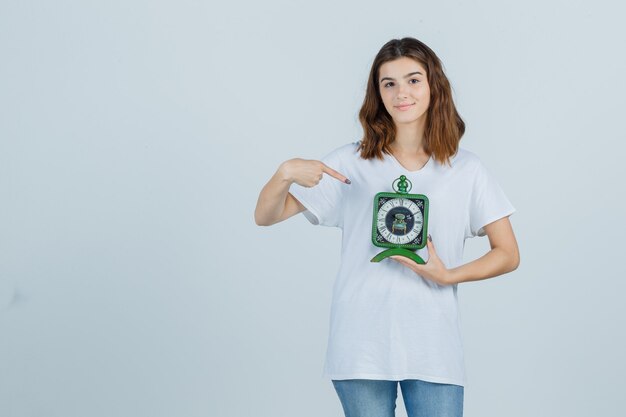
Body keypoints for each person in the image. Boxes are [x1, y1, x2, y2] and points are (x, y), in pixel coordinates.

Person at [254, 37, 520, 417]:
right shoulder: (351, 162)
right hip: (360, 344)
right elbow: (266, 216)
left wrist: (447, 275)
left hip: (433, 346)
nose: (401, 94)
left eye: (413, 80)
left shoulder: (467, 169)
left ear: (433, 86)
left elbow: (508, 254)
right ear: (377, 93)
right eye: (388, 84)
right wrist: (284, 174)